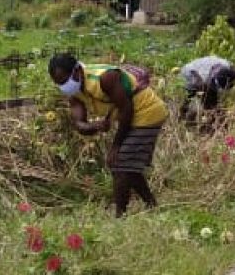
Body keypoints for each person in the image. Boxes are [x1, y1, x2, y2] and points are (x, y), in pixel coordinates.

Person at [48, 53, 168, 217]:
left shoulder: (105, 78)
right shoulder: (74, 92)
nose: (63, 86)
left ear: (76, 71)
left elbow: (127, 109)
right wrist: (94, 126)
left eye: (64, 80)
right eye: (58, 83)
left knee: (120, 163)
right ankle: (151, 206)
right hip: (130, 118)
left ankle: (120, 216)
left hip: (147, 112)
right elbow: (79, 124)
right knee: (127, 165)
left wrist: (116, 145)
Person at [180, 55, 235, 121]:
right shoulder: (202, 79)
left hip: (212, 65)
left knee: (213, 102)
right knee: (206, 100)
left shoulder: (230, 69)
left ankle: (214, 117)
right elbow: (200, 93)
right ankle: (184, 117)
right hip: (190, 71)